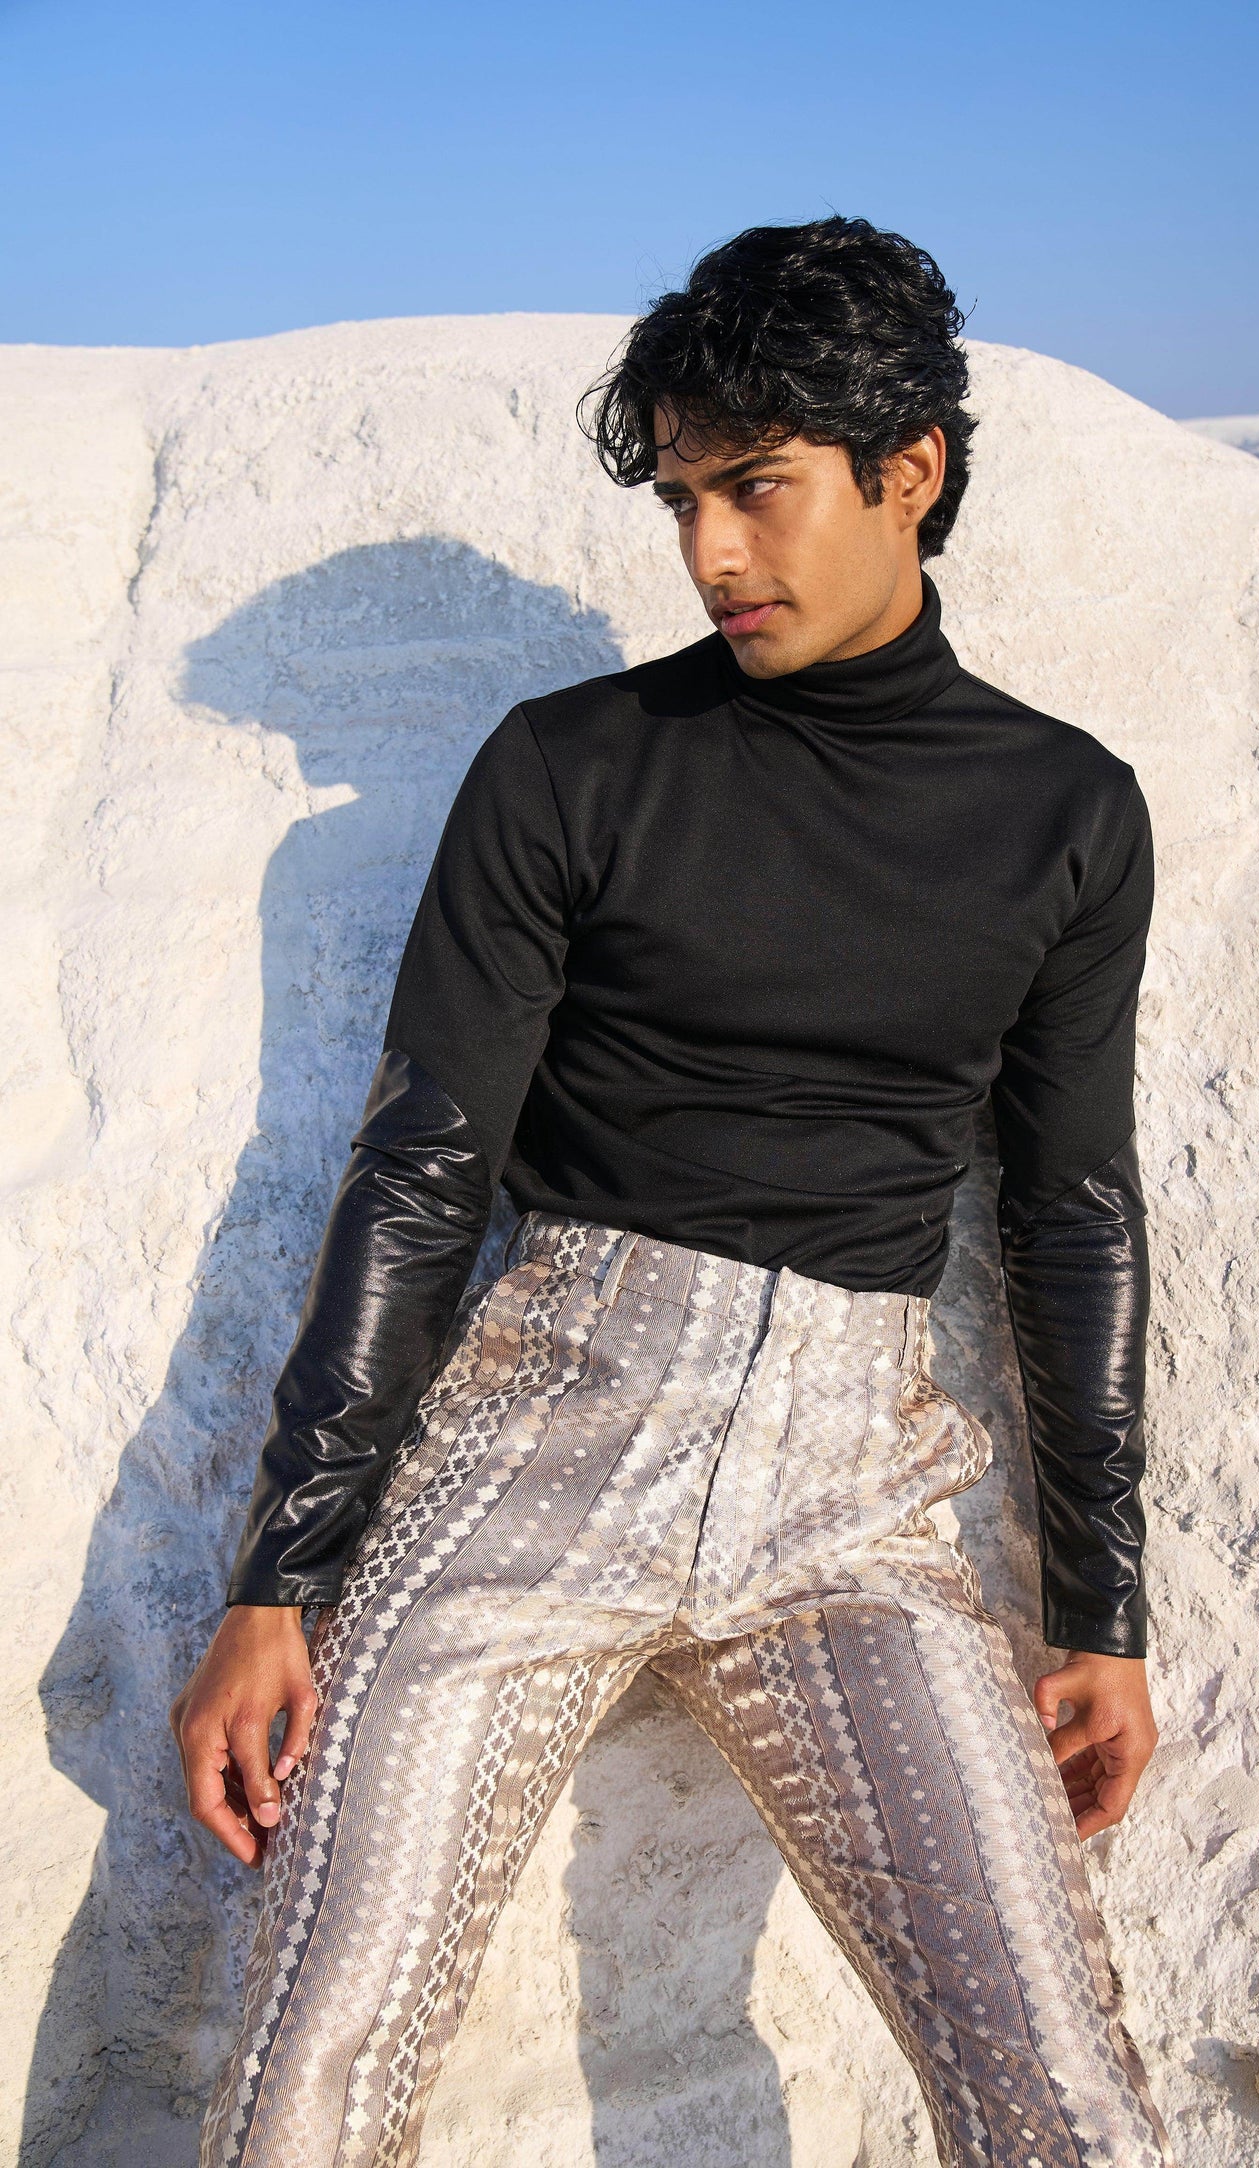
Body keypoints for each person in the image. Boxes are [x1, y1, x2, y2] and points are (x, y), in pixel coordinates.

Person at [174, 216, 1175, 2167]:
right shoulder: (573, 766)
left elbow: (1074, 1208)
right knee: (313, 2073)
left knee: (1065, 2094)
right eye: (684, 498)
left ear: (909, 471)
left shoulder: (1065, 811)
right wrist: (277, 1577)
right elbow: (426, 1164)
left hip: (851, 1502)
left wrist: (1102, 1605)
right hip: (536, 1448)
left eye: (758, 488)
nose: (713, 550)